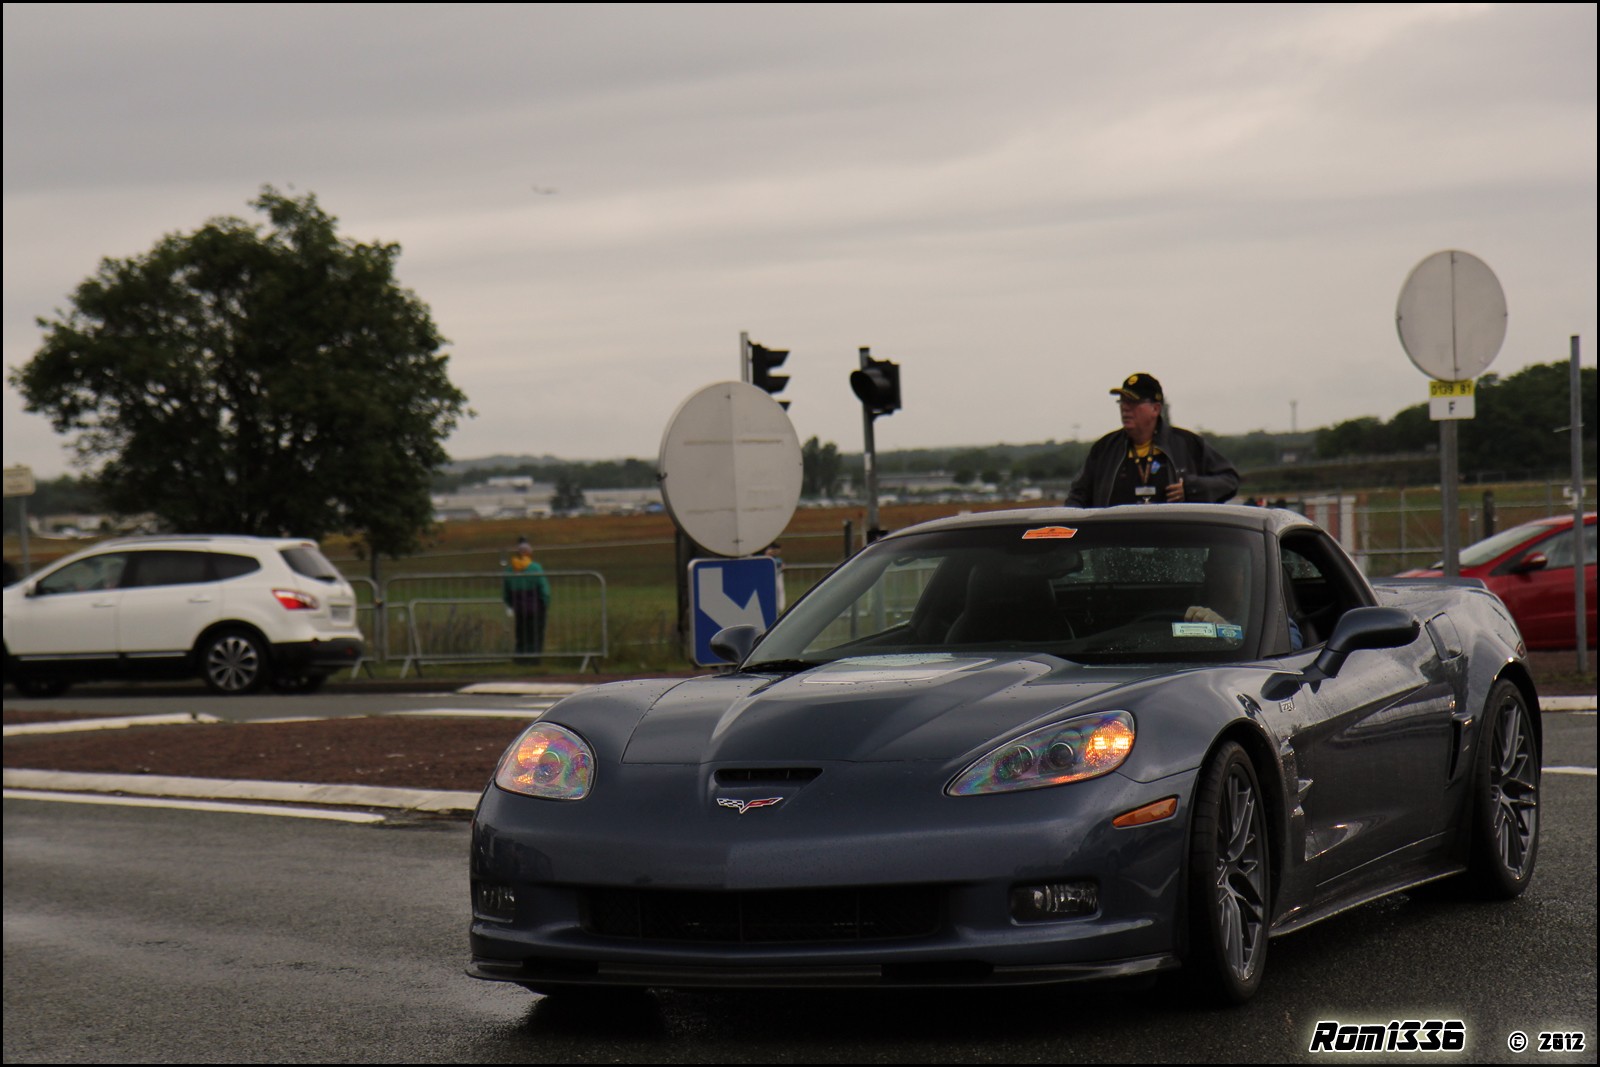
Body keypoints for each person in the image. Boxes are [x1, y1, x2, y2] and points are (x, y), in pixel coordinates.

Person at [1065, 373, 1239, 507]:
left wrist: (1192, 489)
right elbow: (1077, 496)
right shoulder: (1104, 449)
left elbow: (1229, 481)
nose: (1125, 408)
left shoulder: (1187, 444)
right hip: (1114, 549)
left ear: (1156, 409)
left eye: (1133, 402)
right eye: (1122, 402)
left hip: (1176, 548)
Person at [503, 539, 552, 657]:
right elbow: (544, 589)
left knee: (521, 635)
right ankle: (534, 659)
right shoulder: (535, 568)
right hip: (536, 608)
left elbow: (506, 593)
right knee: (535, 635)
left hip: (519, 609)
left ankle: (521, 659)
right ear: (529, 552)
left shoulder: (509, 570)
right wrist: (546, 603)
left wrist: (511, 605)